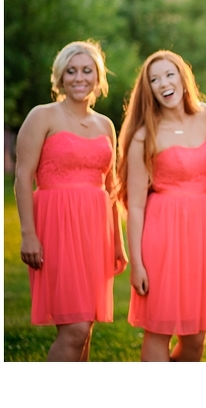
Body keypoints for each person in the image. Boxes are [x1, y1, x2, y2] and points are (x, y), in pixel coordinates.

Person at [14, 40, 127, 361]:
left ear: (98, 77)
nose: (79, 78)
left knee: (85, 329)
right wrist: (28, 234)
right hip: (56, 227)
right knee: (75, 329)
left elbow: (110, 187)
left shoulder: (105, 125)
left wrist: (117, 243)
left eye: (87, 71)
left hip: (95, 233)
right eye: (71, 71)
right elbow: (22, 176)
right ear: (60, 77)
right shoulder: (42, 116)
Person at [118, 50, 206, 362]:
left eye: (169, 74)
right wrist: (137, 264)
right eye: (154, 79)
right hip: (162, 232)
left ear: (182, 77)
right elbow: (136, 205)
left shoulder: (203, 115)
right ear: (148, 89)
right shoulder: (144, 135)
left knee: (196, 336)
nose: (163, 83)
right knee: (159, 327)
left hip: (201, 233)